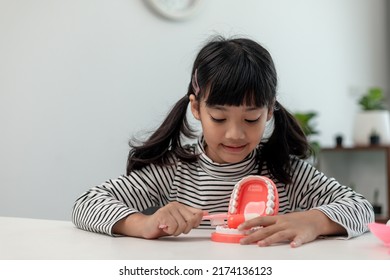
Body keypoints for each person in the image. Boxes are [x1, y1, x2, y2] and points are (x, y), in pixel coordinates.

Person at [72, 35, 374, 248]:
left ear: (269, 111)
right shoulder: (174, 170)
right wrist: (143, 224)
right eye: (218, 118)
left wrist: (314, 221)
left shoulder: (286, 173)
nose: (234, 134)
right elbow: (86, 204)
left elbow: (361, 208)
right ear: (196, 108)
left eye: (251, 119)